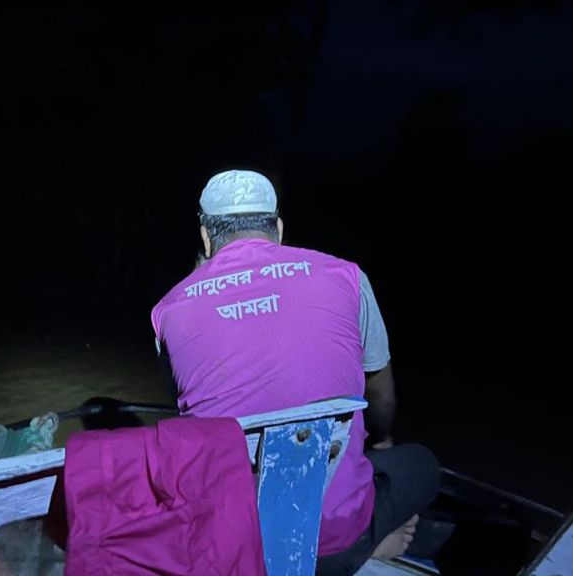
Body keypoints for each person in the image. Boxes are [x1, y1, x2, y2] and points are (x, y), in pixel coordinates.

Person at [151, 170, 440, 575]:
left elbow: (189, 412)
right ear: (279, 229)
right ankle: (367, 543)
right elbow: (380, 391)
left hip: (229, 541)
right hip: (330, 540)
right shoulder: (347, 277)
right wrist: (383, 438)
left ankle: (361, 541)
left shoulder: (168, 309)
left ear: (205, 237)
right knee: (422, 465)